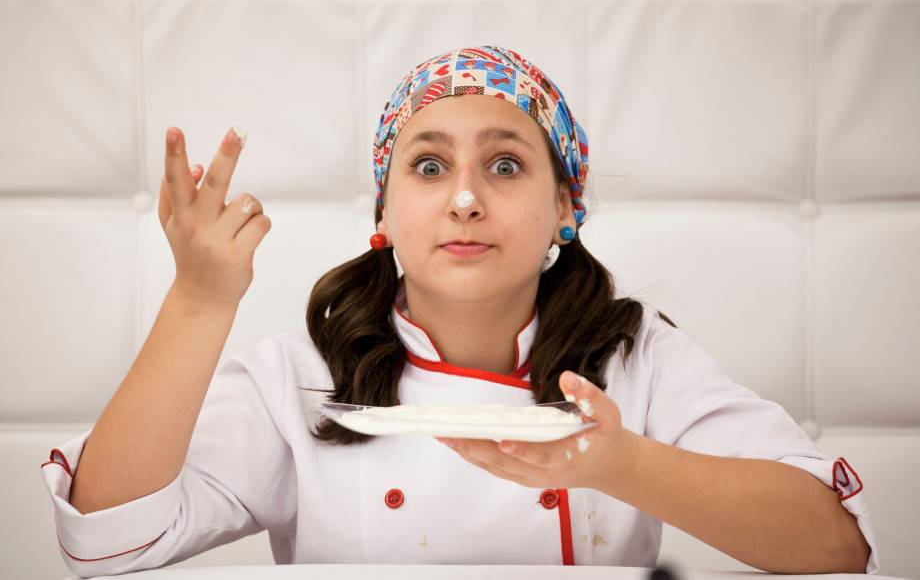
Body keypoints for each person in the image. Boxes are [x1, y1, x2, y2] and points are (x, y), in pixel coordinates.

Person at [40, 45, 878, 578]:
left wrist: (615, 463)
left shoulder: (636, 358)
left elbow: (836, 546)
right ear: (384, 213)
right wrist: (197, 300)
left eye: (507, 167)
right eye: (430, 167)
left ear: (565, 211)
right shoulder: (300, 373)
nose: (467, 198)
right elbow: (104, 543)